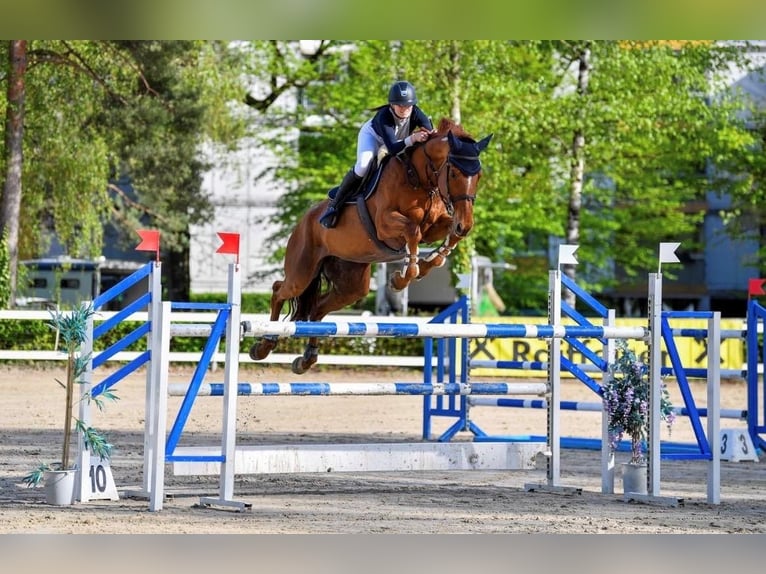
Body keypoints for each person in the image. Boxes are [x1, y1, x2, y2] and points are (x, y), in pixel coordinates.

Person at [319, 80, 435, 228]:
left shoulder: (416, 112)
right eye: (400, 105)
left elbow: (430, 133)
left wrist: (432, 135)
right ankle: (334, 206)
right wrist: (413, 138)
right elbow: (392, 148)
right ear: (392, 104)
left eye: (408, 105)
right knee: (363, 165)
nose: (405, 109)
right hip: (373, 137)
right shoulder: (384, 116)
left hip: (398, 141)